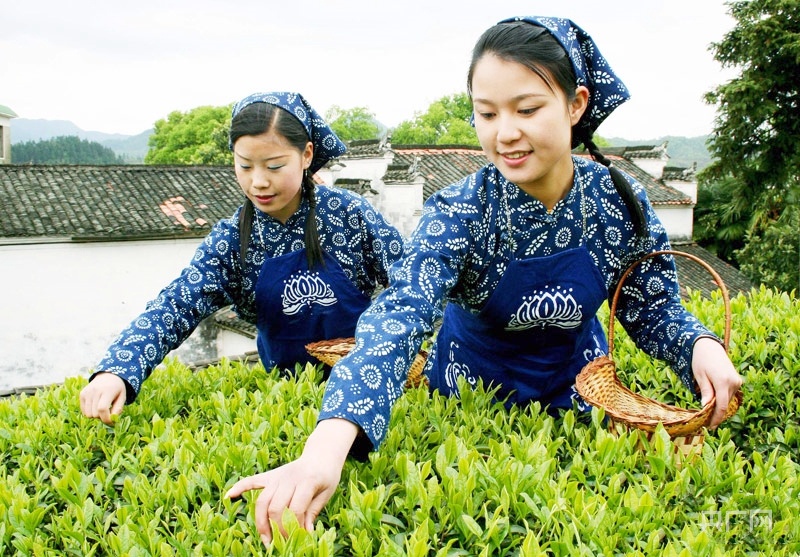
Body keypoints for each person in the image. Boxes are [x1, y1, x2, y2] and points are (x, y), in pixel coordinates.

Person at [225, 17, 744, 544]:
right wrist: (326, 446)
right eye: (486, 113)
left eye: (527, 109)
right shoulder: (462, 211)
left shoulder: (619, 202)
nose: (505, 133)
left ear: (576, 104)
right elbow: (401, 315)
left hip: (580, 401)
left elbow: (651, 307)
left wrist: (697, 346)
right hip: (469, 405)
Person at [79, 91, 404, 425]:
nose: (258, 182)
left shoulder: (350, 215)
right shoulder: (232, 241)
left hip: (369, 387)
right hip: (289, 401)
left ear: (306, 155)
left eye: (275, 166)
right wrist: (118, 370)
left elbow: (413, 283)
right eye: (244, 166)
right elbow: (176, 304)